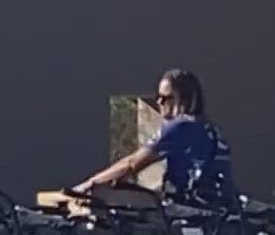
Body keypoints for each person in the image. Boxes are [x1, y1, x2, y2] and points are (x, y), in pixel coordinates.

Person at [72, 69, 236, 206]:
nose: (159, 102)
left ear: (185, 100)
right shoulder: (210, 129)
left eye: (166, 98)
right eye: (158, 96)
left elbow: (132, 164)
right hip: (218, 212)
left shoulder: (182, 126)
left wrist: (90, 184)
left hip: (193, 213)